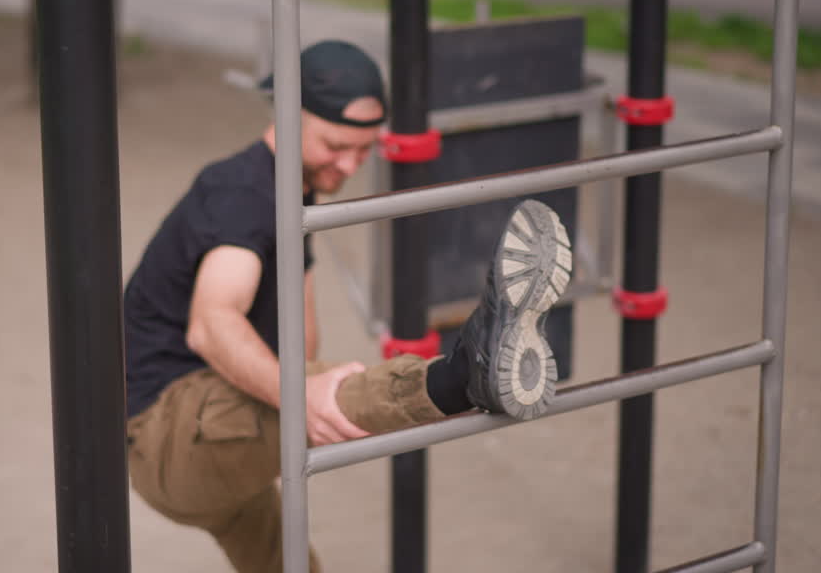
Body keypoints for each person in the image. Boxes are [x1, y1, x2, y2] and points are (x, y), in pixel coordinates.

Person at [124, 39, 572, 572]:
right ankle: (465, 375)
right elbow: (211, 322)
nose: (349, 164)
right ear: (289, 118)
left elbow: (302, 342)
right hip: (170, 435)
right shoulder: (241, 194)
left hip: (213, 448)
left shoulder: (293, 196)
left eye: (364, 150)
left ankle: (469, 368)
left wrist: (302, 383)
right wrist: (303, 392)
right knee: (326, 388)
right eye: (335, 144)